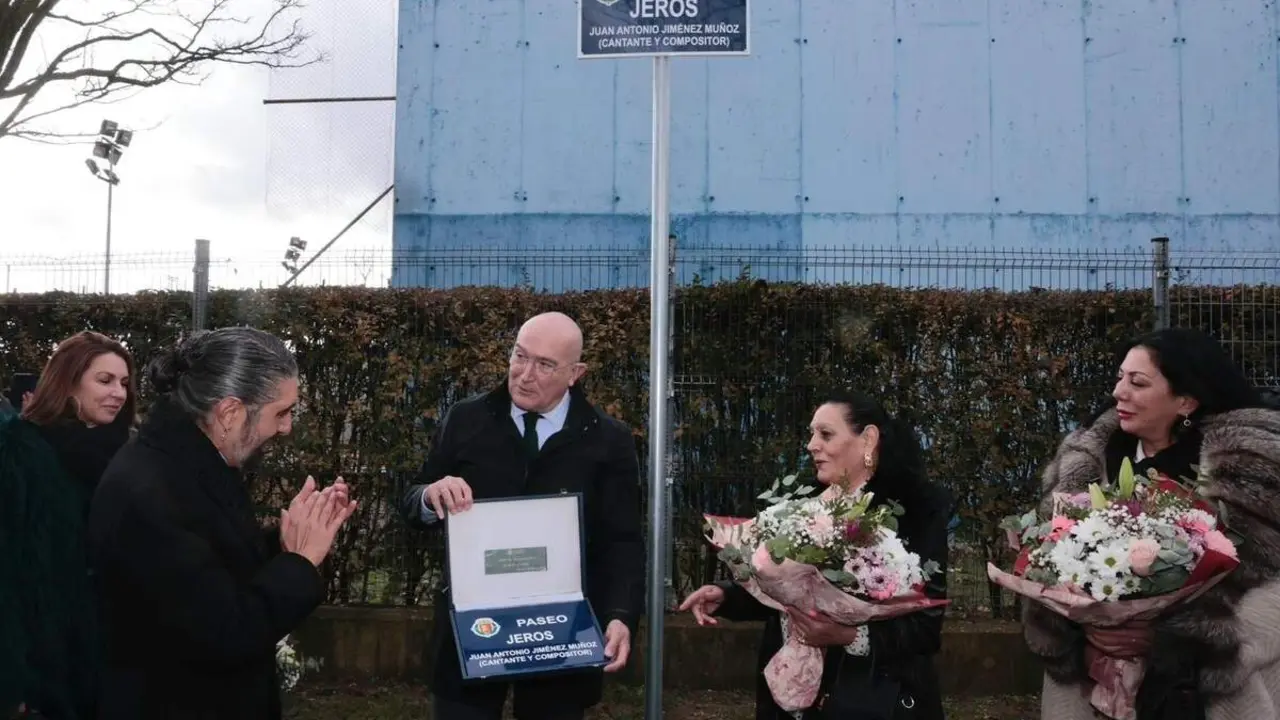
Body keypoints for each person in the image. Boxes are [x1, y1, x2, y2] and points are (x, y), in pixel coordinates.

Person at [87, 327, 358, 720]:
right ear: (230, 413)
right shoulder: (151, 492)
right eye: (280, 413)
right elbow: (226, 634)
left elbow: (214, 567)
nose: (286, 428)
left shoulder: (191, 465)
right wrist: (298, 564)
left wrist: (287, 543)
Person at [1024, 327, 1280, 720]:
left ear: (1186, 400)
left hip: (1212, 685)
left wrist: (1171, 637)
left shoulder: (1251, 469)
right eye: (1120, 377)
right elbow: (1046, 559)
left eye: (1137, 382)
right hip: (1094, 675)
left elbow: (1269, 586)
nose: (1118, 392)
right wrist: (1089, 630)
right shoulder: (1088, 462)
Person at [400, 311, 645, 720]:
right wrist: (430, 496)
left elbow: (622, 540)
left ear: (575, 373)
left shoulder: (609, 439)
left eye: (545, 364)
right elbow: (411, 500)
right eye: (519, 356)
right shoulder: (466, 418)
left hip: (561, 632)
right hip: (471, 629)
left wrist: (621, 616)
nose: (525, 375)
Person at [679, 390, 952, 720]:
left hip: (877, 697)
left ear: (867, 440)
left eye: (825, 434)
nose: (811, 445)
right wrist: (726, 594)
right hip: (791, 700)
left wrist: (851, 636)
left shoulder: (916, 510)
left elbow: (925, 626)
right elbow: (787, 591)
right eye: (811, 433)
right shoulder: (800, 506)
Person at [0, 332, 136, 720]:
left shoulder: (129, 458)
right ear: (69, 379)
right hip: (41, 666)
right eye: (105, 380)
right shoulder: (19, 453)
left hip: (111, 659)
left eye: (124, 383)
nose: (118, 393)